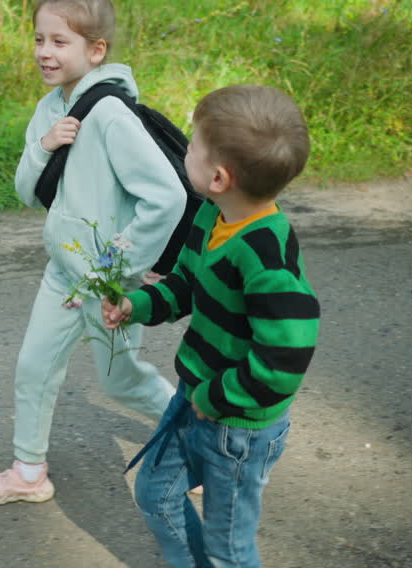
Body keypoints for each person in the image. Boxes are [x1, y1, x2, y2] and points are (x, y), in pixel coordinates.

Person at [0, 0, 188, 506]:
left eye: (60, 42)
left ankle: (194, 442)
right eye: (39, 39)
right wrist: (45, 148)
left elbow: (168, 196)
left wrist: (114, 268)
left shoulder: (111, 115)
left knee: (123, 382)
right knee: (33, 367)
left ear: (96, 51)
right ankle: (28, 473)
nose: (45, 52)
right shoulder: (49, 109)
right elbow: (27, 192)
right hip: (62, 272)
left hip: (110, 284)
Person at [101, 83, 320, 567]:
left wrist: (215, 398)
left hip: (237, 429)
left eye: (193, 145)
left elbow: (285, 360)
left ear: (219, 176)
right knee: (156, 496)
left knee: (229, 549)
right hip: (196, 394)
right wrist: (137, 304)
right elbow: (185, 283)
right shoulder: (211, 214)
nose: (186, 148)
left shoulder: (265, 258)